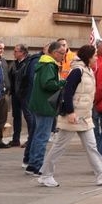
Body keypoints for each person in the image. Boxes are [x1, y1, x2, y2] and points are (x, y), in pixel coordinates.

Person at [37, 45, 102, 188]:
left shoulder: (87, 70)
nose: (96, 58)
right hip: (73, 116)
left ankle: (101, 174)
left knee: (91, 146)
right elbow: (68, 92)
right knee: (59, 146)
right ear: (88, 57)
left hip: (84, 116)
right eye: (94, 56)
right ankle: (46, 175)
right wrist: (70, 112)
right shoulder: (77, 71)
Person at [24, 41, 65, 176]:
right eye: (61, 54)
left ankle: (32, 164)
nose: (63, 57)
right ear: (54, 53)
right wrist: (62, 82)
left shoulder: (43, 63)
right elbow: (47, 84)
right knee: (42, 136)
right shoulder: (48, 65)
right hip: (45, 105)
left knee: (38, 135)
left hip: (39, 103)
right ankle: (37, 165)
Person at [7, 43, 32, 148]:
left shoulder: (29, 63)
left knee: (28, 116)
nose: (14, 53)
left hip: (25, 94)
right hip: (15, 94)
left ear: (22, 53)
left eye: (16, 51)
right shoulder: (14, 63)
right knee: (16, 116)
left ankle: (30, 139)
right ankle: (15, 139)